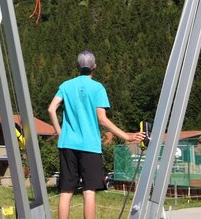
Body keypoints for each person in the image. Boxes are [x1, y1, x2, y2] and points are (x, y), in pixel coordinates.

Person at [48, 50, 145, 219]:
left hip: (67, 144)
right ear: (95, 67)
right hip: (90, 146)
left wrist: (60, 132)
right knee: (89, 192)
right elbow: (102, 119)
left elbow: (51, 109)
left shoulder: (65, 85)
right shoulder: (98, 88)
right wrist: (127, 136)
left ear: (77, 66)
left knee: (66, 191)